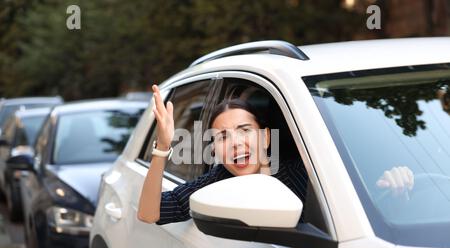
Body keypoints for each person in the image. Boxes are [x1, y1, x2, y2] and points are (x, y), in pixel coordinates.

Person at [138, 84, 414, 225]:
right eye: (222, 136)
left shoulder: (305, 174)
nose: (235, 143)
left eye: (244, 130)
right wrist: (162, 146)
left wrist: (393, 188)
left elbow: (354, 209)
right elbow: (150, 213)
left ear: (265, 136)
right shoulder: (217, 181)